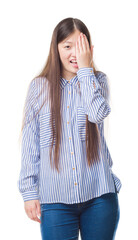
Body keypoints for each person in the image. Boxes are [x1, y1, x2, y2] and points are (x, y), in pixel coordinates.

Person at [17, 17, 122, 240]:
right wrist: (29, 192)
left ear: (89, 49)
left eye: (80, 46)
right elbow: (30, 144)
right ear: (55, 49)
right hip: (55, 201)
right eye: (67, 46)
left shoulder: (98, 81)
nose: (74, 53)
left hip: (99, 196)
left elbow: (97, 113)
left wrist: (85, 70)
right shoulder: (39, 87)